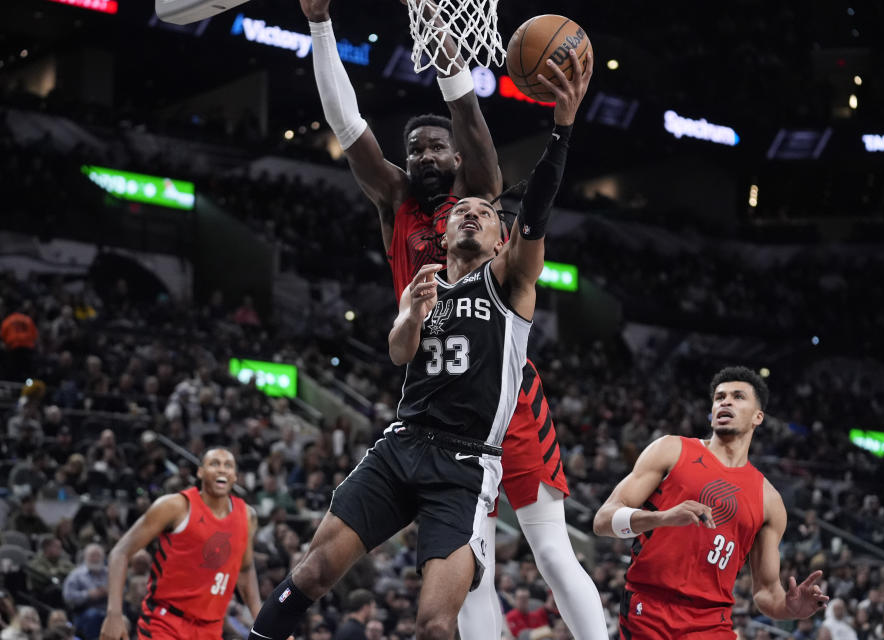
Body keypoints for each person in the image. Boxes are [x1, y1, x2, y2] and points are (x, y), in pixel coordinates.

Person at [249, 44, 590, 640]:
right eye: (416, 150)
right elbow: (348, 127)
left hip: (470, 445)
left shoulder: (503, 267)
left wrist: (548, 120)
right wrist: (408, 314)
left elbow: (531, 199)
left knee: (524, 565)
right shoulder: (401, 212)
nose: (466, 213)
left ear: (498, 233)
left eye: (480, 214)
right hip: (406, 433)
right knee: (314, 569)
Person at [593, 366, 830, 638]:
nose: (725, 401)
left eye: (738, 396)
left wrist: (790, 609)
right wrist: (663, 517)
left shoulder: (769, 500)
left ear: (758, 417)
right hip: (648, 610)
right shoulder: (671, 449)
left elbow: (766, 591)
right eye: (719, 397)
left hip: (711, 624)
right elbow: (602, 521)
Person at [99, 448, 261, 640]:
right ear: (200, 472)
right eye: (214, 464)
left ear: (234, 476)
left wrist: (265, 623)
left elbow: (245, 569)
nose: (222, 470)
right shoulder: (175, 506)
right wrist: (114, 614)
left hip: (211, 628)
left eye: (228, 466)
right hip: (166, 623)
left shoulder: (246, 517)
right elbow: (120, 552)